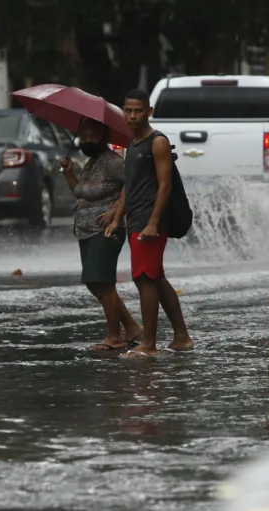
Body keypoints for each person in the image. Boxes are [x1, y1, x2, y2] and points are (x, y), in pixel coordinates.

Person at [105, 88, 195, 358]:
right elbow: (129, 187)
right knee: (155, 278)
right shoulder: (132, 144)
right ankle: (181, 337)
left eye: (137, 111)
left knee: (144, 278)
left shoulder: (157, 142)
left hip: (149, 221)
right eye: (128, 110)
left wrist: (154, 222)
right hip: (136, 219)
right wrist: (116, 217)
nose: (131, 116)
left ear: (148, 112)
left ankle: (149, 344)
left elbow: (165, 185)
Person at [58, 118, 144, 351]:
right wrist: (68, 172)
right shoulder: (92, 162)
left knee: (103, 283)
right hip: (85, 230)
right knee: (94, 283)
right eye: (84, 136)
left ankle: (114, 337)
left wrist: (116, 210)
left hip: (105, 229)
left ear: (104, 138)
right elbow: (80, 192)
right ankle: (131, 326)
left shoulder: (112, 162)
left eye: (93, 137)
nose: (87, 141)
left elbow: (132, 182)